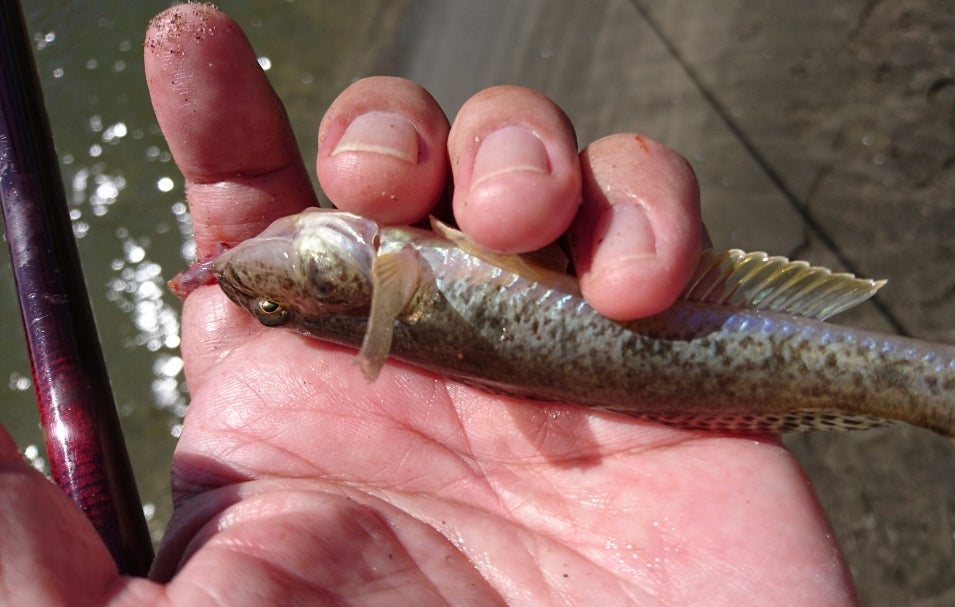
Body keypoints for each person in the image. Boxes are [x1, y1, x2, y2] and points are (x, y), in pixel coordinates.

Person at [0, 4, 858, 605]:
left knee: (511, 199)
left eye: (272, 305)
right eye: (277, 309)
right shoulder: (377, 282)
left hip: (649, 438)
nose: (263, 289)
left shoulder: (384, 279)